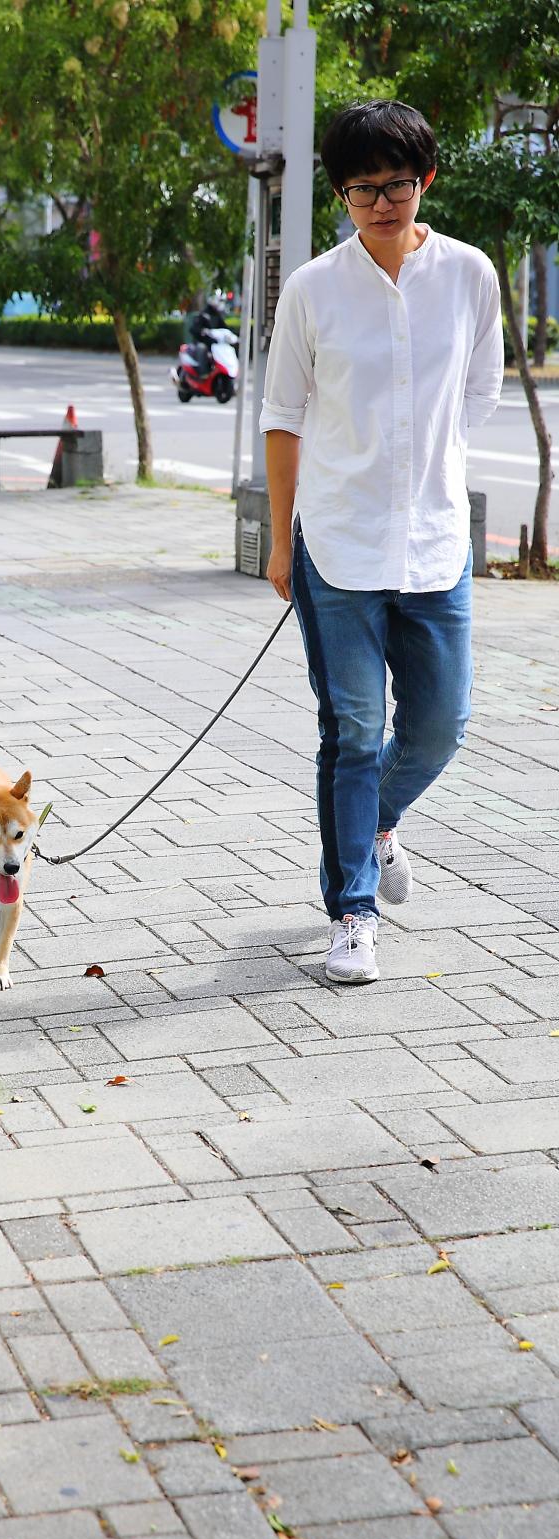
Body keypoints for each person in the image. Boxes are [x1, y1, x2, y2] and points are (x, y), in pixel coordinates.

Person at [259, 100, 503, 985]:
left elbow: (477, 396)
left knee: (441, 725)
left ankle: (379, 822)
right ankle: (352, 910)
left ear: (425, 180)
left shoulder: (470, 275)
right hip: (337, 542)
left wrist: (424, 472)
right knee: (354, 731)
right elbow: (282, 418)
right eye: (362, 190)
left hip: (436, 540)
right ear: (341, 194)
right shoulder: (313, 290)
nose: (380, 204)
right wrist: (282, 544)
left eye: (396, 185)